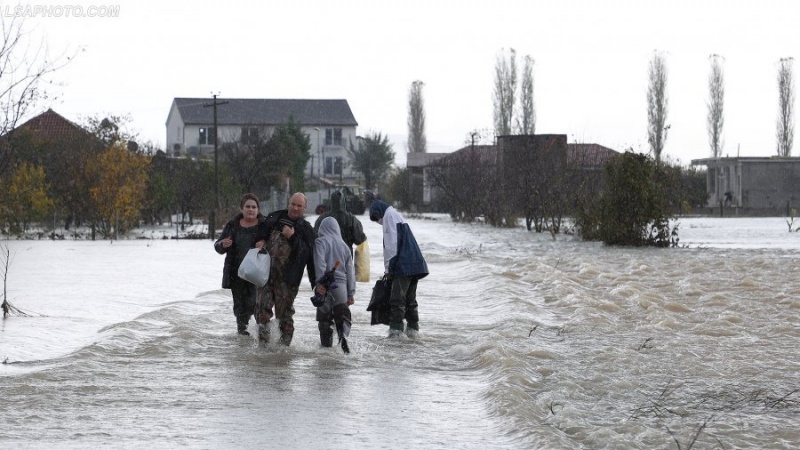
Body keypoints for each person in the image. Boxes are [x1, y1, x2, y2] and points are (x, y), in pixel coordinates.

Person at [255, 192, 316, 346]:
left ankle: (284, 350)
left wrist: (293, 238)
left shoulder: (306, 229)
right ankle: (263, 347)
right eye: (293, 204)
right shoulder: (275, 217)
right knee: (262, 311)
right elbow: (260, 232)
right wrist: (261, 240)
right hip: (266, 275)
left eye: (299, 205)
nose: (295, 208)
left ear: (305, 208)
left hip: (288, 280)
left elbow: (306, 255)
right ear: (288, 203)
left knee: (284, 316)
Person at [368, 200, 428, 338]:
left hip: (403, 265)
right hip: (415, 263)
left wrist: (389, 270)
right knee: (410, 300)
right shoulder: (396, 215)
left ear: (379, 212)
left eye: (376, 218)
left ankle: (396, 333)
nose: (378, 222)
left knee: (397, 299)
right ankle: (413, 331)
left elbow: (391, 246)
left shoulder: (389, 217)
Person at [214, 193, 268, 336]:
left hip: (258, 275)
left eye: (253, 207)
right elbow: (217, 246)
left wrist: (265, 243)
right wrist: (223, 244)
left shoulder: (265, 225)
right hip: (236, 274)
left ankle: (264, 340)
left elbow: (276, 246)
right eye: (247, 207)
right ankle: (242, 338)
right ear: (242, 209)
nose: (250, 209)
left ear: (258, 209)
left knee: (258, 307)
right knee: (240, 309)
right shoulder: (232, 225)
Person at [313, 217, 356, 353]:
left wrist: (320, 282)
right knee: (342, 314)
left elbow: (320, 263)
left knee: (324, 318)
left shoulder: (320, 242)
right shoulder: (345, 247)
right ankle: (343, 337)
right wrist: (351, 293)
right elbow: (351, 272)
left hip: (326, 283)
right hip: (342, 285)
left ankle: (326, 349)